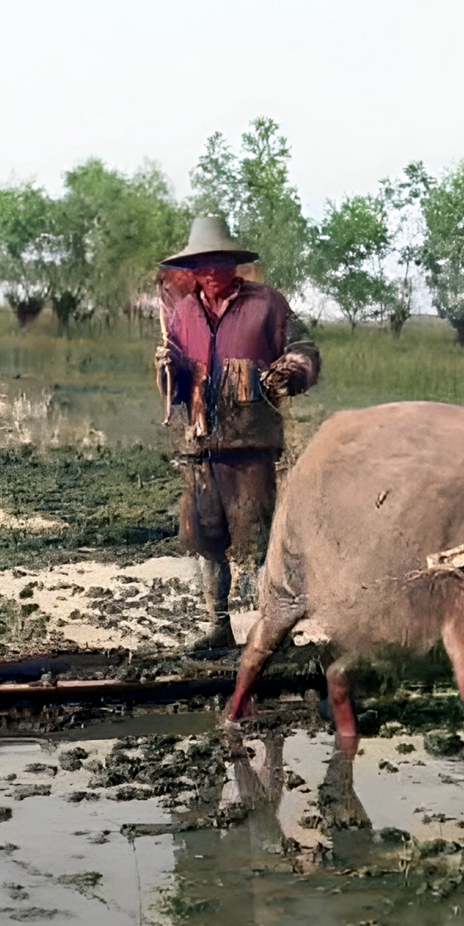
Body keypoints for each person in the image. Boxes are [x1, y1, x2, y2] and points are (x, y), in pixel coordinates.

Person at [156, 216, 319, 647]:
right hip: (200, 446)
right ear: (192, 268)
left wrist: (293, 369)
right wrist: (167, 370)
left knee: (263, 540)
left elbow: (303, 350)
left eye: (219, 260)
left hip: (251, 444)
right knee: (206, 540)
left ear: (234, 262)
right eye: (202, 263)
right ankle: (219, 627)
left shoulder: (268, 304)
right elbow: (175, 384)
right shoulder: (184, 313)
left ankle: (273, 630)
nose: (211, 270)